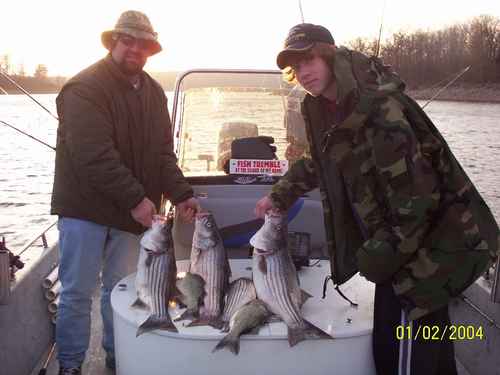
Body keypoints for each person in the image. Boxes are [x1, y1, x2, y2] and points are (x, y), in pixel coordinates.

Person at [255, 23, 499, 375]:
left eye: (309, 59)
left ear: (331, 56)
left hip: (423, 261)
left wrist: (372, 258)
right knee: (428, 354)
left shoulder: (381, 111)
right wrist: (280, 194)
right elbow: (322, 159)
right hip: (397, 253)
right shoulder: (333, 107)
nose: (303, 71)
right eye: (295, 65)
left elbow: (418, 205)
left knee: (399, 355)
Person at [51, 10, 198, 374]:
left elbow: (163, 154)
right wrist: (136, 199)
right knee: (76, 294)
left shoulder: (153, 93)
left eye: (143, 44)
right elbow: (94, 154)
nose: (135, 49)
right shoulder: (84, 88)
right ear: (113, 41)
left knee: (120, 292)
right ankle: (70, 365)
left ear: (151, 49)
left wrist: (181, 193)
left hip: (130, 216)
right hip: (85, 211)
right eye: (127, 40)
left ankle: (118, 358)